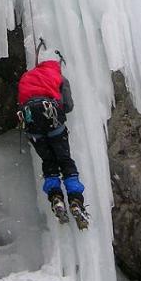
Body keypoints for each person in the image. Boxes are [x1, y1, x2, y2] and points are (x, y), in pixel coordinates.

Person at [17, 57, 88, 228]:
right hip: (53, 123)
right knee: (65, 160)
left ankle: (56, 197)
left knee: (49, 161)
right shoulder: (58, 77)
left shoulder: (26, 77)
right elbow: (68, 105)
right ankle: (75, 200)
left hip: (33, 127)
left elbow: (20, 102)